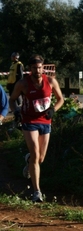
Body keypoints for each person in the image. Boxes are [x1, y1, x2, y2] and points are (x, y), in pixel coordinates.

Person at [9, 54, 64, 203]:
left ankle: (29, 161)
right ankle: (36, 191)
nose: (37, 70)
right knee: (35, 152)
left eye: (39, 67)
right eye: (34, 68)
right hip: (29, 120)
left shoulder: (51, 81)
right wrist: (16, 112)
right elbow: (12, 99)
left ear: (43, 67)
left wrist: (53, 109)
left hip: (45, 121)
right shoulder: (23, 84)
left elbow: (61, 99)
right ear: (30, 69)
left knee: (40, 158)